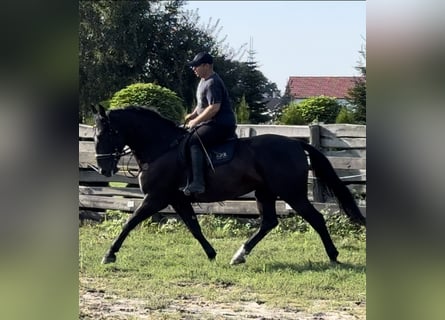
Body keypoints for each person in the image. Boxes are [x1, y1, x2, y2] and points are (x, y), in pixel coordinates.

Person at [182, 52, 237, 194]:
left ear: (206, 66)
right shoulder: (203, 81)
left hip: (221, 124)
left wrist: (196, 121)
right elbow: (203, 104)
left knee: (194, 141)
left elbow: (214, 107)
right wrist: (193, 114)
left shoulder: (213, 82)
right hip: (211, 123)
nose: (194, 69)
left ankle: (198, 183)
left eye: (196, 66)